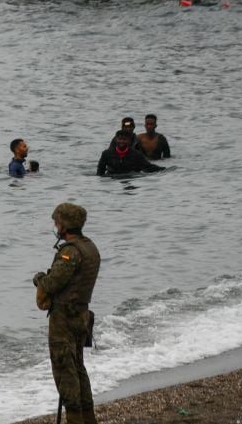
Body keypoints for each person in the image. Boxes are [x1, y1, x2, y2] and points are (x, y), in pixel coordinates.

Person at [33, 203, 101, 424]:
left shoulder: (70, 251)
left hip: (65, 318)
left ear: (64, 225)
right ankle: (88, 418)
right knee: (78, 368)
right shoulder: (90, 247)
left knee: (65, 372)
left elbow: (53, 284)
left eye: (57, 223)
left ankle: (75, 419)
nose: (55, 226)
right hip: (82, 315)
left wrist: (39, 278)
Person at [97, 130, 164, 176]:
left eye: (125, 139)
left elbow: (148, 167)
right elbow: (100, 172)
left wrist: (164, 170)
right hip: (112, 179)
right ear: (116, 139)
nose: (122, 141)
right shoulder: (106, 154)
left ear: (129, 141)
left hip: (132, 178)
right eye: (120, 139)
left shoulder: (137, 154)